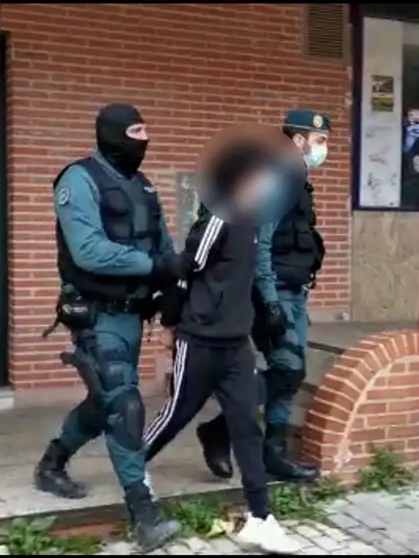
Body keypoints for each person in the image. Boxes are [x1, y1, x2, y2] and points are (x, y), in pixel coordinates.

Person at [34, 103, 187, 551]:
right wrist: (156, 266)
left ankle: (52, 462)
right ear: (113, 134)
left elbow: (165, 249)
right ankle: (144, 513)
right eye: (137, 130)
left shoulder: (143, 185)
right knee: (125, 405)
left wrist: (171, 288)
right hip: (95, 314)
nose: (145, 139)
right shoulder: (77, 180)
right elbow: (88, 251)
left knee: (105, 401)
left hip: (132, 315)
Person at [142, 143, 301, 554]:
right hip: (200, 341)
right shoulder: (220, 217)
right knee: (177, 413)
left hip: (236, 345)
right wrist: (170, 323)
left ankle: (261, 517)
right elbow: (184, 271)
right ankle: (133, 467)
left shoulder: (253, 221)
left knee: (246, 425)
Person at [196, 109, 328, 483]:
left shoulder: (297, 180)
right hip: (275, 293)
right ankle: (228, 433)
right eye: (319, 141)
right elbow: (262, 246)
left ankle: (270, 450)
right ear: (297, 141)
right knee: (287, 369)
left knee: (290, 371)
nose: (323, 149)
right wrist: (270, 302)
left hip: (294, 292)